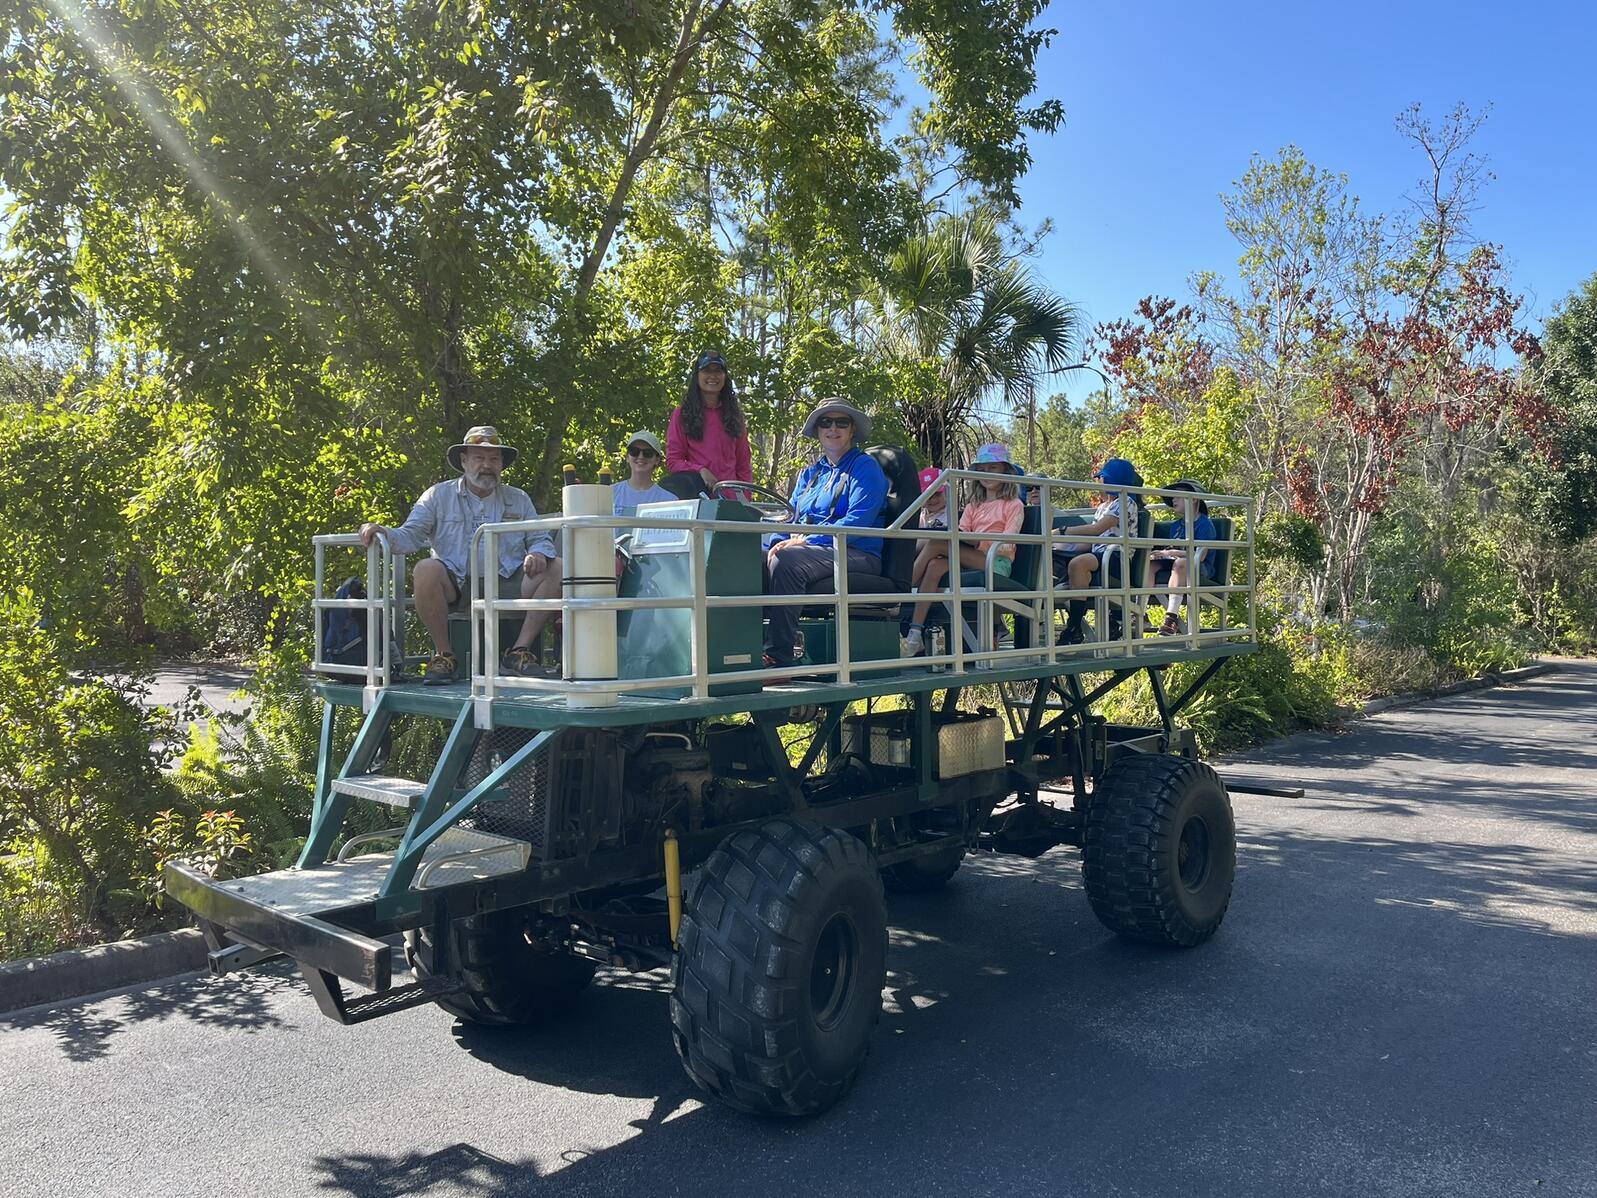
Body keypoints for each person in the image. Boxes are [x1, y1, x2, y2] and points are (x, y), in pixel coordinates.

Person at [359, 425, 560, 685]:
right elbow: (410, 536)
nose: (486, 465)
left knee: (558, 568)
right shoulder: (437, 495)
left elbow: (540, 538)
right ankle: (445, 656)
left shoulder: (518, 498)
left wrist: (538, 553)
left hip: (508, 580)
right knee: (425, 569)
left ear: (501, 464)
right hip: (458, 582)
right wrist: (380, 531)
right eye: (479, 458)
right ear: (464, 461)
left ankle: (518, 652)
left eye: (493, 459)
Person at [763, 399, 889, 670]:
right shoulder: (811, 474)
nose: (833, 428)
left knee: (787, 562)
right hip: (811, 549)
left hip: (856, 551)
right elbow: (788, 516)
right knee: (750, 558)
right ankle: (737, 652)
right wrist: (775, 542)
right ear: (818, 430)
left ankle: (777, 657)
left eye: (841, 422)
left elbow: (859, 522)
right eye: (825, 422)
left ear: (852, 429)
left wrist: (805, 541)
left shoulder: (865, 468)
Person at [903, 443, 1025, 656]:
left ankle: (898, 592)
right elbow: (960, 532)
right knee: (935, 565)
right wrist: (964, 540)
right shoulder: (973, 505)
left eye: (993, 468)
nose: (987, 474)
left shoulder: (1013, 504)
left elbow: (1007, 545)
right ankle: (915, 634)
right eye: (983, 469)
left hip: (995, 562)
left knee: (936, 543)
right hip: (971, 557)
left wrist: (976, 541)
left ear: (1006, 470)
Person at [1054, 456, 1144, 644]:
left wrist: (1062, 531)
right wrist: (1058, 545)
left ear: (1112, 480)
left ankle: (1074, 625)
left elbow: (1097, 530)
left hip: (1116, 557)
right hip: (1099, 557)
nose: (1099, 481)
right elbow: (1091, 541)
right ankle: (1074, 625)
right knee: (1068, 562)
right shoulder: (1103, 507)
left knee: (1079, 563)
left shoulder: (1126, 501)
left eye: (1102, 477)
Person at [664, 351, 753, 497]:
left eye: (718, 371)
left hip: (730, 502)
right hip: (697, 500)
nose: (713, 376)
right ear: (697, 376)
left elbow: (743, 465)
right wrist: (700, 470)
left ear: (725, 376)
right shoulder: (682, 414)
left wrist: (745, 500)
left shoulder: (735, 416)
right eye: (706, 370)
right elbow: (673, 461)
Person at [1151, 479, 1219, 634]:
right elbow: (1173, 549)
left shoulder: (1204, 524)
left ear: (1193, 499)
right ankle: (1139, 613)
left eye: (1178, 495)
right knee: (1150, 564)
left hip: (1200, 568)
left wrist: (1172, 553)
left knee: (1181, 563)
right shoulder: (1176, 525)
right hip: (1177, 563)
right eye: (1172, 496)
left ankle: (1171, 617)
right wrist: (1162, 554)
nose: (1173, 499)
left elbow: (1200, 556)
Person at [612, 430, 675, 517]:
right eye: (634, 451)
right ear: (627, 457)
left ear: (657, 460)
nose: (640, 457)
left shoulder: (670, 501)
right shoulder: (609, 494)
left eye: (647, 453)